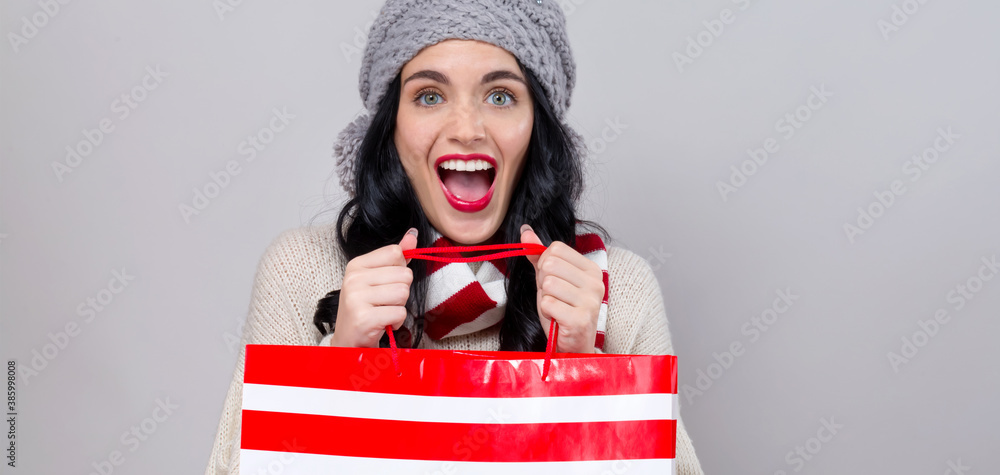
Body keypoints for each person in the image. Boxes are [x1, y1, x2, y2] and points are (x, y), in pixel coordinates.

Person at [204, 0, 704, 473]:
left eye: (501, 95)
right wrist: (341, 364)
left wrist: (587, 373)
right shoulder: (301, 271)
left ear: (537, 127)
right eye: (429, 95)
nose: (467, 128)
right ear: (391, 127)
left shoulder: (616, 288)